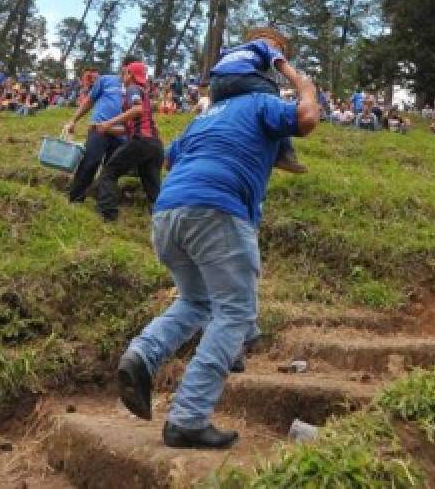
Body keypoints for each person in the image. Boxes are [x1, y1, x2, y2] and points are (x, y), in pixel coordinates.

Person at [116, 53, 319, 449]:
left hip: (168, 213)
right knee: (236, 312)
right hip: (217, 211)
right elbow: (307, 118)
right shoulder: (261, 104)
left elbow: (172, 156)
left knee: (196, 301)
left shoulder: (203, 117)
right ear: (260, 82)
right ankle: (188, 418)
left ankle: (142, 354)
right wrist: (303, 84)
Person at [208, 28, 306, 173]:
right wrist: (302, 86)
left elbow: (220, 66)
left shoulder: (232, 50)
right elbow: (282, 65)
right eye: (279, 48)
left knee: (222, 112)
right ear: (273, 43)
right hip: (241, 76)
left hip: (216, 83)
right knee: (273, 97)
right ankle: (284, 153)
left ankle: (216, 144)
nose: (279, 50)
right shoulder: (264, 46)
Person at [92, 61, 163, 223]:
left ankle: (108, 214)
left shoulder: (133, 89)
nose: (122, 77)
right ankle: (162, 221)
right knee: (153, 188)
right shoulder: (143, 93)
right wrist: (103, 128)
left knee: (109, 172)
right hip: (155, 146)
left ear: (130, 75)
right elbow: (127, 129)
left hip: (141, 142)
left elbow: (137, 110)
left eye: (124, 73)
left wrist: (108, 123)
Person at [61, 71, 127, 203]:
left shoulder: (136, 88)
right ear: (124, 68)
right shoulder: (106, 80)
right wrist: (73, 120)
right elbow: (89, 101)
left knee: (111, 169)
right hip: (98, 128)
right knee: (90, 162)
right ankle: (75, 199)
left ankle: (104, 204)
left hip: (120, 133)